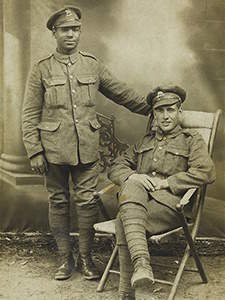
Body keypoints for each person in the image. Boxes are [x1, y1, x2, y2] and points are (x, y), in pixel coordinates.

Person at [22, 6, 152, 281]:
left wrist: (152, 107)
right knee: (58, 201)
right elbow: (30, 113)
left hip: (87, 149)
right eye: (66, 30)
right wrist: (34, 150)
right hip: (53, 149)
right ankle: (63, 259)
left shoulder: (91, 64)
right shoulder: (42, 69)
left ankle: (86, 258)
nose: (72, 34)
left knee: (86, 203)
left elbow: (120, 91)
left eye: (76, 29)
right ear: (54, 33)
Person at [108, 86, 216, 300]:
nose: (166, 116)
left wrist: (167, 182)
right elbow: (116, 166)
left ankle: (128, 290)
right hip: (139, 204)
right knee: (131, 183)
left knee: (125, 218)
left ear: (179, 112)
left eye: (171, 110)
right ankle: (141, 273)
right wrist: (134, 176)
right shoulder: (144, 142)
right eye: (160, 111)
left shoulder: (191, 139)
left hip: (172, 206)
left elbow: (206, 172)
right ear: (153, 114)